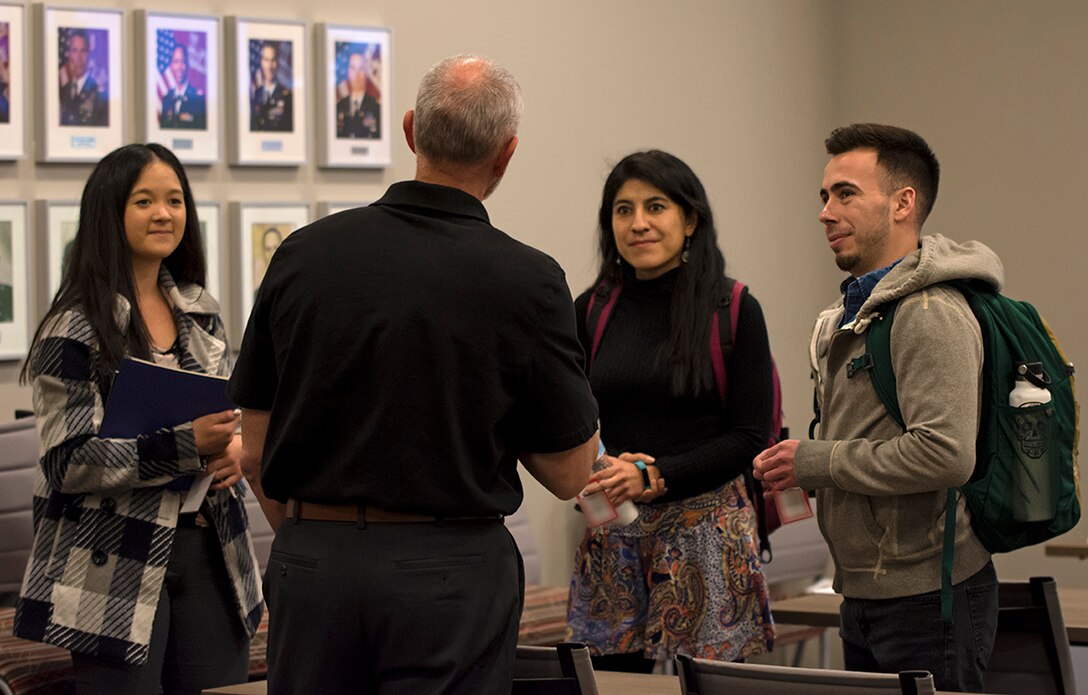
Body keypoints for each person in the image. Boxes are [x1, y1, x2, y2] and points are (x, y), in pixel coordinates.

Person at [229, 54, 599, 694]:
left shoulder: (301, 256)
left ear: (408, 131)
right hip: (450, 574)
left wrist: (319, 540)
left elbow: (256, 453)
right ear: (506, 155)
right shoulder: (528, 281)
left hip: (312, 562)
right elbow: (570, 474)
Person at [753, 123, 1000, 692]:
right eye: (823, 196)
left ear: (902, 203)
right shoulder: (856, 313)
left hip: (927, 597)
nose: (825, 212)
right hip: (865, 591)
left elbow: (946, 454)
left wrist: (816, 462)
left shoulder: (930, 312)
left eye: (845, 194)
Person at [13, 143, 264, 695]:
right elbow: (67, 461)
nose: (164, 214)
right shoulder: (73, 326)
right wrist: (187, 445)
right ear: (110, 212)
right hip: (115, 557)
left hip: (211, 548)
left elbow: (226, 416)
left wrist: (233, 446)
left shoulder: (201, 309)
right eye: (144, 201)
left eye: (175, 200)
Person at [566, 150, 776, 672]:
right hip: (616, 536)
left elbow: (750, 436)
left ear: (690, 219)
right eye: (623, 209)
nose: (638, 223)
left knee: (705, 687)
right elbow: (570, 419)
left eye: (655, 206)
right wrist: (609, 470)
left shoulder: (733, 308)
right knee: (610, 687)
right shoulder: (590, 310)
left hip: (707, 541)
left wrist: (656, 474)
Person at [58, 29, 107, 127]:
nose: (79, 57)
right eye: (74, 51)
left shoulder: (98, 93)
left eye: (83, 51)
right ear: (69, 55)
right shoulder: (64, 90)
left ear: (89, 54)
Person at [160, 44, 206, 130]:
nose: (180, 67)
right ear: (171, 65)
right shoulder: (167, 99)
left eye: (183, 62)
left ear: (188, 65)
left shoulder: (197, 99)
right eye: (176, 62)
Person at [335, 51, 380, 139]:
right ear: (348, 71)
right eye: (353, 68)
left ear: (366, 73)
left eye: (361, 68)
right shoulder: (339, 107)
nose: (357, 74)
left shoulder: (376, 108)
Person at [250, 41, 291, 132]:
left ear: (278, 62)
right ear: (261, 62)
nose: (269, 66)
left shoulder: (287, 95)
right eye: (266, 60)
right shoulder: (256, 93)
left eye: (273, 60)